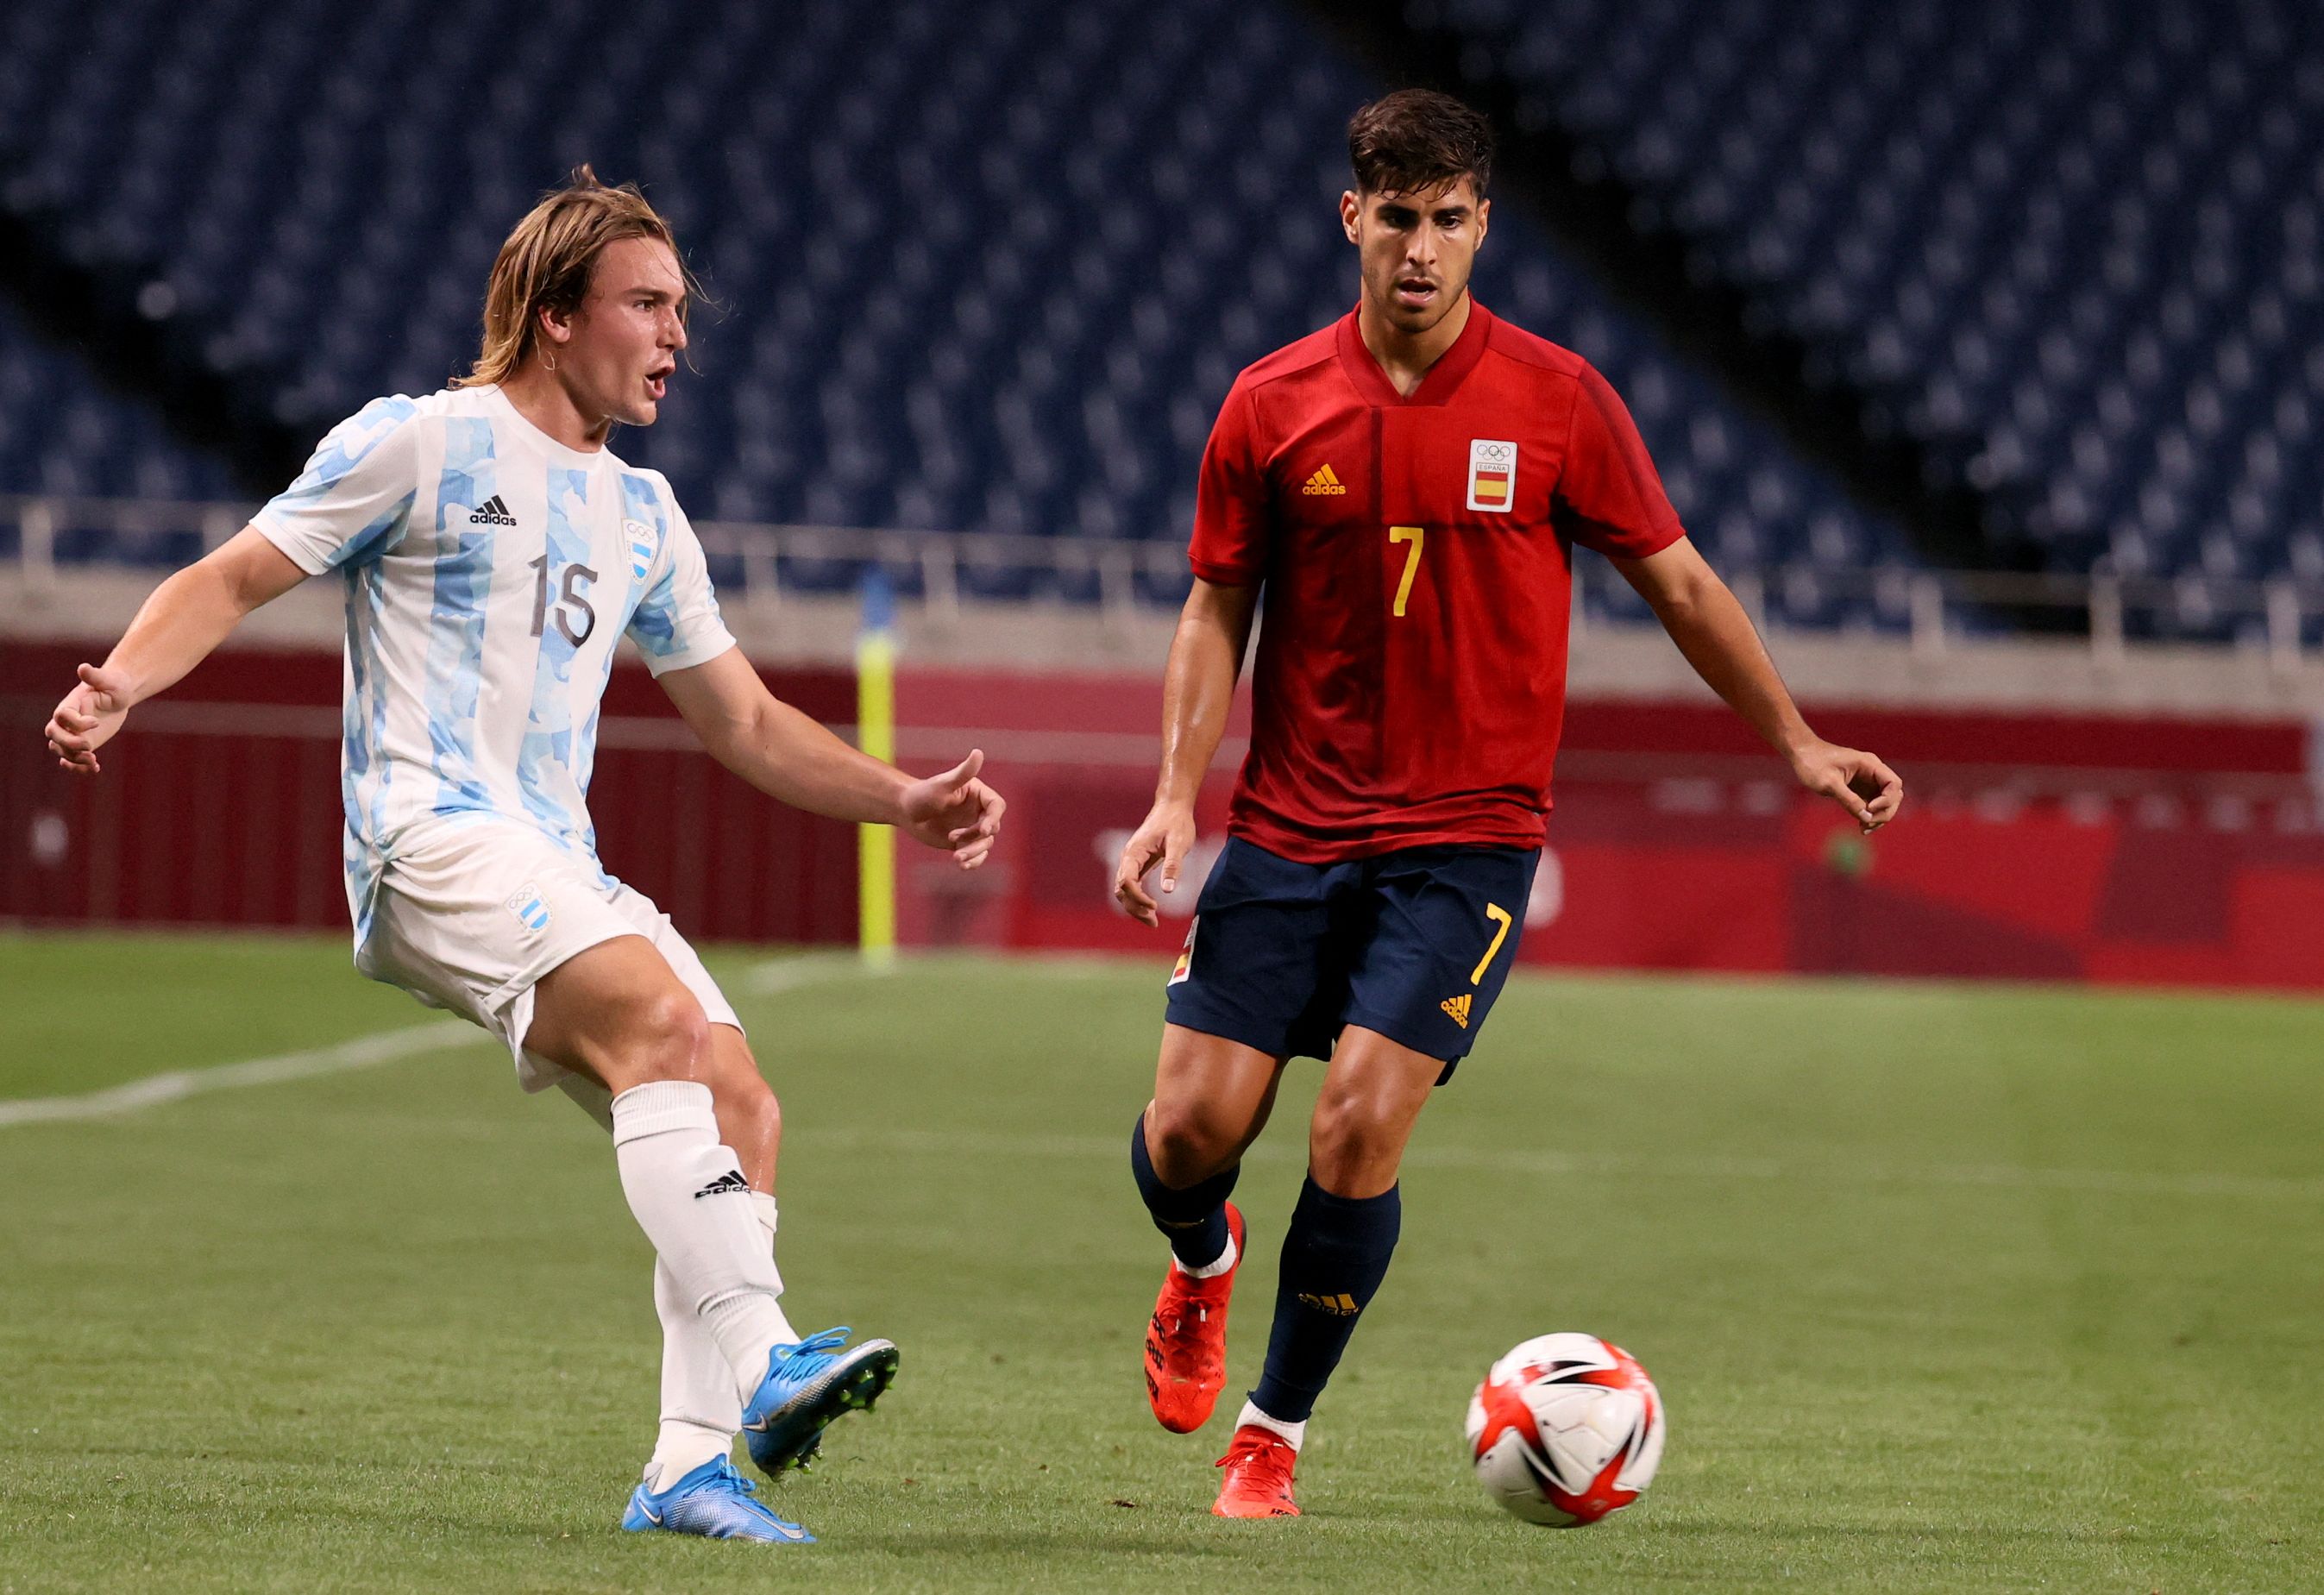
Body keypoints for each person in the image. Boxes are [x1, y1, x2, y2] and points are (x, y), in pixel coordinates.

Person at [43, 168, 1005, 1546]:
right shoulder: (418, 443)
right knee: (666, 1027)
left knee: (739, 1102)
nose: (677, 335)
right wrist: (122, 682)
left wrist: (902, 799)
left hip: (552, 852)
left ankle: (685, 1468)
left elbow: (740, 717)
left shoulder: (645, 512)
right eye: (647, 305)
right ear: (556, 315)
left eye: (683, 310)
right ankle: (766, 1357)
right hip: (426, 833)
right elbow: (235, 575)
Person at [1111, 91, 1903, 1518]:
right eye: (1397, 217)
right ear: (1352, 216)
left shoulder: (1558, 400)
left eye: (1449, 220)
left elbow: (1677, 580)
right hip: (1291, 824)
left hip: (1465, 839)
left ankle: (1269, 1437)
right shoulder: (1270, 401)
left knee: (1355, 1121)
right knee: (1185, 1137)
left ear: (1484, 227)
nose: (1421, 248)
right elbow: (1216, 605)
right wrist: (1175, 797)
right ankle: (1201, 1265)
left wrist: (1790, 738)